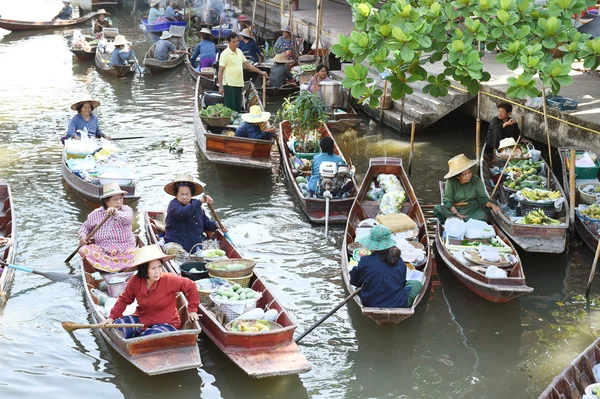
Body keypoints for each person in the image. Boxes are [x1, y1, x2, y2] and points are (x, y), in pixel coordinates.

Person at [99, 244, 200, 338]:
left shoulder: (168, 279)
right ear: (144, 270)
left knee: (150, 337)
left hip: (166, 322)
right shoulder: (135, 281)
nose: (158, 272)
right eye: (153, 268)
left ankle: (141, 338)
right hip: (142, 319)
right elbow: (124, 299)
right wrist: (111, 318)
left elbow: (191, 286)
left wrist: (192, 310)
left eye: (160, 267)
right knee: (117, 329)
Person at [349, 225, 422, 308]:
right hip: (399, 303)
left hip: (369, 303)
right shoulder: (399, 261)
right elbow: (402, 283)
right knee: (416, 284)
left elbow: (354, 282)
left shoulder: (365, 261)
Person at [78, 182, 136, 273]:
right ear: (106, 201)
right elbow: (85, 226)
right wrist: (83, 236)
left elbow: (128, 219)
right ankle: (112, 268)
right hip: (104, 252)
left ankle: (109, 269)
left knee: (135, 254)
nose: (119, 202)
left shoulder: (126, 210)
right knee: (84, 249)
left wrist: (115, 213)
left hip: (124, 252)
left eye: (121, 198)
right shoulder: (96, 213)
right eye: (115, 199)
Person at [163, 174, 226, 254]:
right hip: (176, 244)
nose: (185, 197)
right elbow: (183, 213)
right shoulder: (173, 205)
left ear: (191, 194)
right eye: (182, 194)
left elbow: (206, 223)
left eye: (187, 194)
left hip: (196, 244)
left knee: (216, 252)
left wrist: (217, 225)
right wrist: (200, 201)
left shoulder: (196, 206)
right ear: (176, 194)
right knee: (179, 255)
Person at [433, 154, 501, 223]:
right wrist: (457, 214)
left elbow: (483, 199)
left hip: (473, 211)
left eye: (469, 172)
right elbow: (448, 201)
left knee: (483, 218)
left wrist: (493, 205)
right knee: (438, 209)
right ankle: (455, 220)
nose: (468, 176)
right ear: (458, 177)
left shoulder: (476, 180)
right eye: (465, 174)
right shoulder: (450, 182)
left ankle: (457, 221)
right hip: (455, 211)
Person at [218, 32, 268, 112]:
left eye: (237, 41)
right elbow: (220, 71)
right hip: (229, 84)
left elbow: (248, 65)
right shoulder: (225, 54)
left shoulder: (239, 52)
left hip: (239, 83)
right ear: (229, 42)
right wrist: (220, 87)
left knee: (237, 108)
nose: (236, 43)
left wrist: (260, 72)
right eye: (234, 42)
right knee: (230, 108)